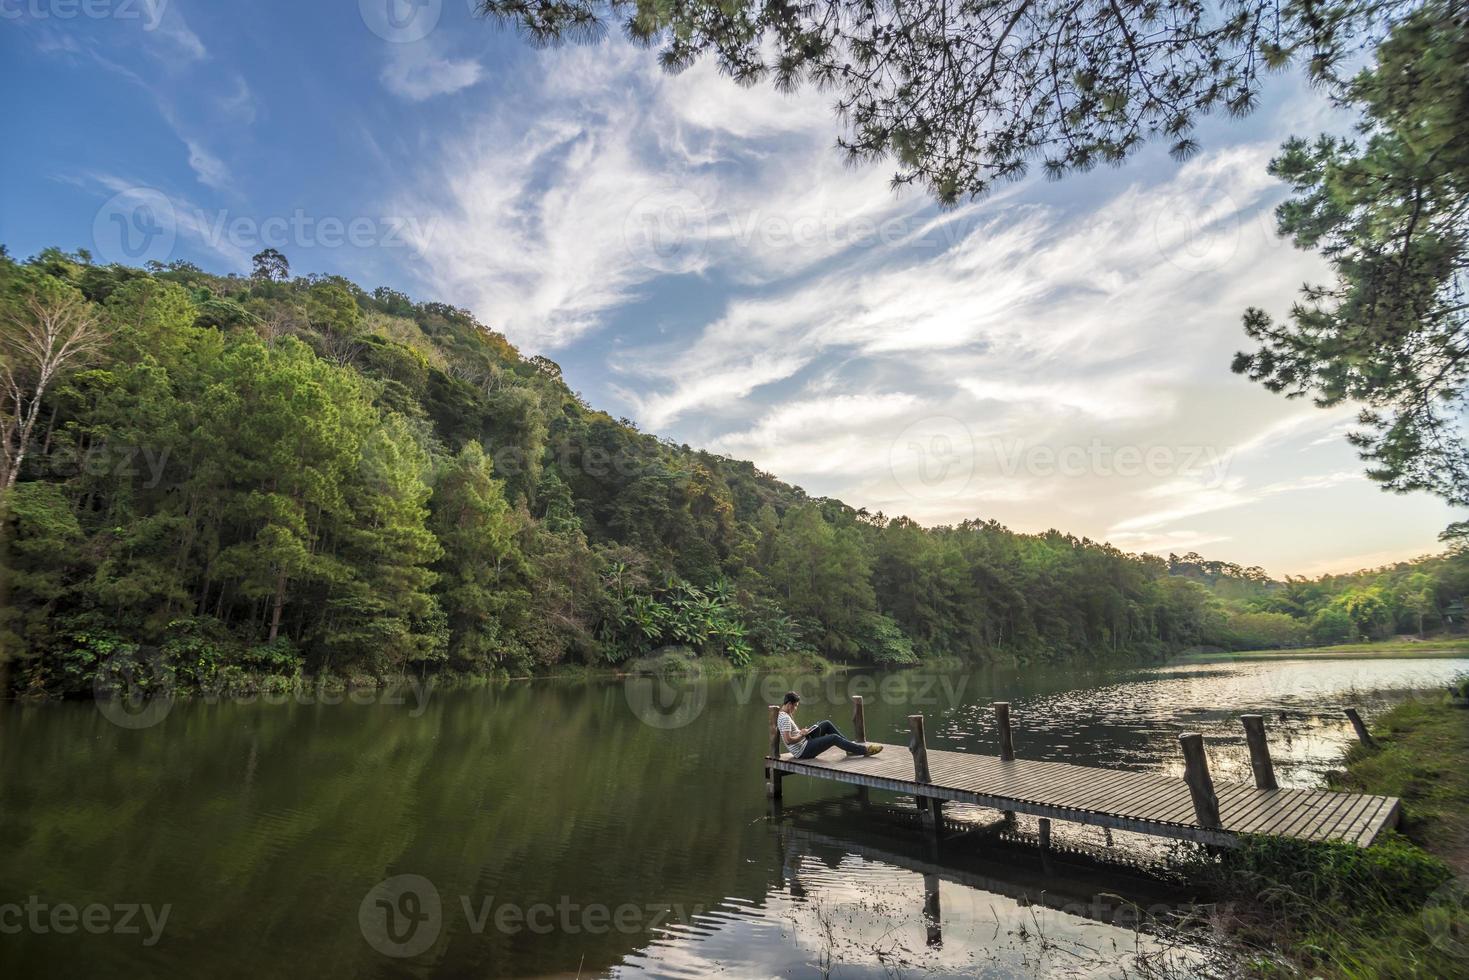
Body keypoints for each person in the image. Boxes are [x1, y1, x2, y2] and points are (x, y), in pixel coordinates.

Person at [776, 691, 882, 759]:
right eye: (795, 706)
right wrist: (802, 735)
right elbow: (788, 740)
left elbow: (790, 736)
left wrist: (802, 732)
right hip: (803, 751)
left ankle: (850, 748)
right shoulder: (785, 718)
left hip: (805, 742)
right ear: (789, 704)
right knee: (833, 738)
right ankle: (864, 751)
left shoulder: (784, 714)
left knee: (826, 723)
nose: (796, 708)